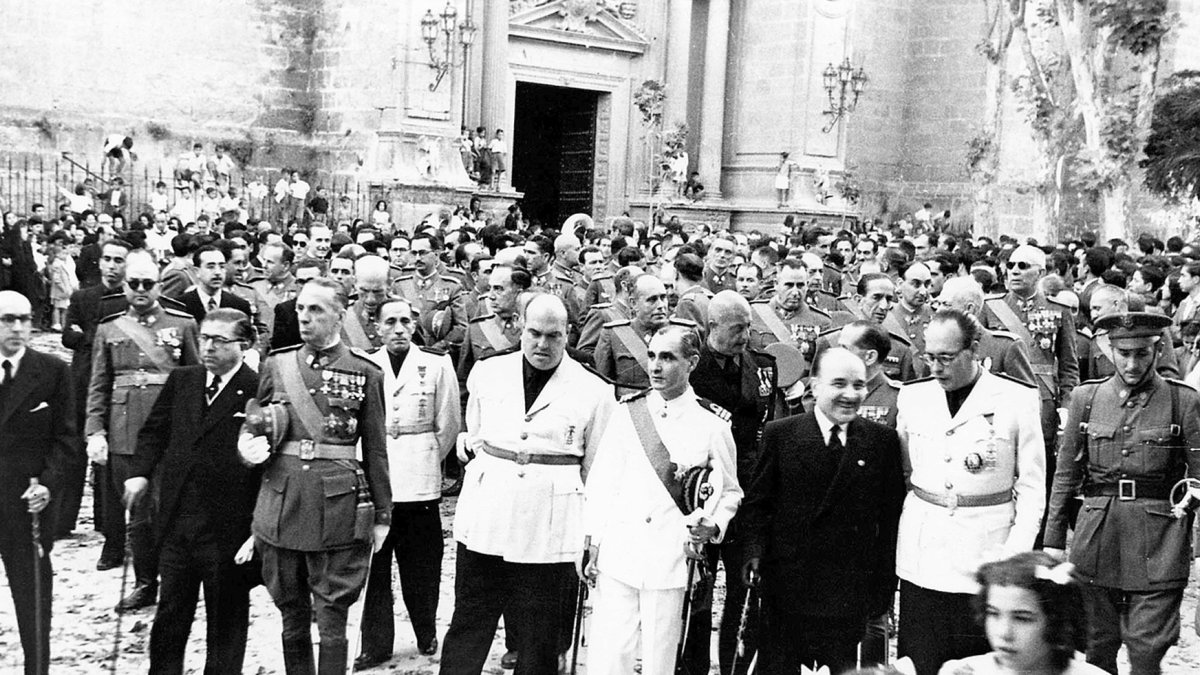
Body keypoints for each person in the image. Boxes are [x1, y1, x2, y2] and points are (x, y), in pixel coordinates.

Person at [439, 294, 615, 675]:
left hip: (549, 527)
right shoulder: (488, 372)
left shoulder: (594, 390)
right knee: (470, 619)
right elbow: (477, 435)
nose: (542, 344)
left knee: (540, 636)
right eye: (534, 333)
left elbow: (596, 470)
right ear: (520, 326)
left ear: (568, 334)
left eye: (553, 336)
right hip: (488, 517)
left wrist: (590, 534)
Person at [238, 277, 391, 674]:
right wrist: (246, 448)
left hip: (336, 506)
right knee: (290, 609)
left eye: (316, 309)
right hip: (282, 501)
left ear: (340, 315)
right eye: (301, 309)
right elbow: (254, 423)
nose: (304, 317)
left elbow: (376, 450)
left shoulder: (365, 372)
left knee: (333, 613)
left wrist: (382, 515)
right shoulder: (277, 364)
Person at [1043, 311, 1200, 675]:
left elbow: (1199, 481)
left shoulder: (1183, 401)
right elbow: (1065, 475)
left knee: (1147, 649)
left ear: (1157, 350)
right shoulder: (1087, 397)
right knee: (1096, 648)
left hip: (1161, 542)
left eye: (1141, 354)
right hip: (1097, 540)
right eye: (1123, 353)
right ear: (1108, 350)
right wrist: (1053, 540)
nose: (1131, 364)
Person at [582, 325, 742, 675]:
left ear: (692, 363)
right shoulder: (627, 412)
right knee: (609, 656)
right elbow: (602, 481)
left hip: (671, 557)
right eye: (652, 355)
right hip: (620, 550)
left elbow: (730, 490)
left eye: (668, 357)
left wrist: (713, 525)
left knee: (660, 659)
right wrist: (592, 539)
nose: (655, 366)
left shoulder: (712, 423)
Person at [895, 309, 1046, 675]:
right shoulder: (913, 397)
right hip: (924, 559)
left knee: (978, 665)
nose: (935, 367)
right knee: (920, 662)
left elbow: (1031, 488)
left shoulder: (1015, 399)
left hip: (985, 555)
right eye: (929, 357)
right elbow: (904, 471)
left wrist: (1013, 557)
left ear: (974, 349)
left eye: (946, 358)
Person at [741, 347, 905, 673]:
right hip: (788, 589)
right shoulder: (781, 435)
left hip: (849, 594)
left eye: (858, 385)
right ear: (815, 387)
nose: (850, 395)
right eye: (839, 384)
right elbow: (758, 504)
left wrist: (884, 586)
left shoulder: (881, 441)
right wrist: (754, 552)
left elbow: (889, 521)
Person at [123, 309, 260, 674]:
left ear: (244, 345)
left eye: (220, 340)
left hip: (227, 525)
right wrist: (139, 474)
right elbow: (154, 432)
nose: (208, 347)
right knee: (170, 612)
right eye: (204, 338)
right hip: (177, 519)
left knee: (226, 617)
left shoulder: (258, 388)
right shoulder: (184, 379)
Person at [85, 249, 201, 613]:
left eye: (147, 283)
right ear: (123, 286)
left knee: (171, 509)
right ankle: (145, 583)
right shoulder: (109, 328)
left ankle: (177, 583)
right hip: (124, 433)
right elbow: (98, 385)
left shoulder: (183, 325)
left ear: (158, 286)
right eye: (133, 283)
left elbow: (196, 380)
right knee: (137, 516)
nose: (140, 290)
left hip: (170, 433)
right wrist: (95, 431)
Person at [356, 299, 462, 669]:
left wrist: (427, 457)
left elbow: (448, 423)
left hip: (420, 476)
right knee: (375, 565)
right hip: (377, 476)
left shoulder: (436, 363)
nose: (398, 329)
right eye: (390, 322)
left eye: (405, 321)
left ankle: (425, 630)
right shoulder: (366, 364)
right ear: (377, 327)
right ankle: (376, 643)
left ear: (415, 325)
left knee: (422, 563)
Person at [685, 290, 781, 675]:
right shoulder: (690, 368)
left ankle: (734, 668)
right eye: (737, 329)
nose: (745, 336)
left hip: (748, 492)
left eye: (748, 328)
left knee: (744, 592)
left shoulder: (763, 367)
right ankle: (691, 667)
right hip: (703, 491)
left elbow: (767, 429)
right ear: (713, 326)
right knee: (698, 590)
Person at [0, 290, 75, 675]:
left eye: (25, 319)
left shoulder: (51, 371)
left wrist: (48, 483)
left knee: (33, 601)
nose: (18, 328)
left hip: (27, 503)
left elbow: (67, 438)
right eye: (7, 320)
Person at [61, 239, 130, 547]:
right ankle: (64, 519)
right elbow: (67, 335)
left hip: (113, 383)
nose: (112, 266)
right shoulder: (82, 296)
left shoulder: (129, 300)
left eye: (119, 260)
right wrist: (96, 337)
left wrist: (86, 335)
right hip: (82, 380)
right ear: (99, 263)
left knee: (107, 452)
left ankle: (106, 520)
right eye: (108, 259)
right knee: (74, 449)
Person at [939, 552, 1107, 675]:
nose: (1004, 633)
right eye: (993, 614)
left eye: (1022, 618)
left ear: (1057, 622)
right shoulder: (965, 671)